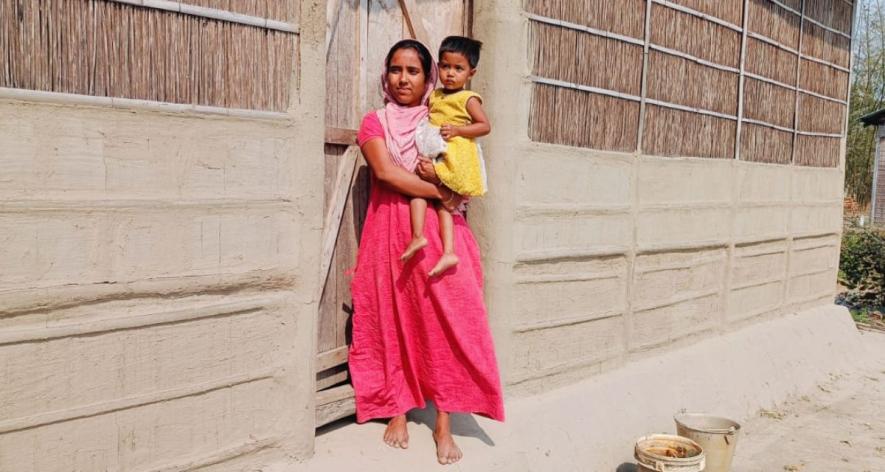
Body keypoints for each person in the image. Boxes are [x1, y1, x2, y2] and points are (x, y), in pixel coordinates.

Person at [349, 39, 505, 465]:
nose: (403, 79)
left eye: (413, 71)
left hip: (442, 233)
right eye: (396, 70)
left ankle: (443, 422)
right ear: (385, 75)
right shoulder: (374, 122)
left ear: (428, 77)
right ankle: (396, 408)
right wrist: (443, 192)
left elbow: (466, 168)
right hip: (391, 231)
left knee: (448, 322)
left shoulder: (441, 117)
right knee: (391, 316)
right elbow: (386, 173)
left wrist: (453, 194)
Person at [401, 36, 491, 278]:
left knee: (444, 204)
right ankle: (419, 236)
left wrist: (459, 130)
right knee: (417, 191)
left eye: (458, 68)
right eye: (445, 66)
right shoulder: (436, 95)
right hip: (435, 152)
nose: (450, 73)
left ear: (471, 73)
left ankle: (449, 251)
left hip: (454, 155)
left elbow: (484, 126)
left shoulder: (467, 99)